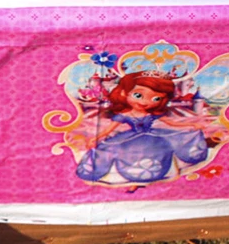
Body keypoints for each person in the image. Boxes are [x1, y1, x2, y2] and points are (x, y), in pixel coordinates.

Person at [76, 72, 211, 184]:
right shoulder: (125, 115)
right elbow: (108, 130)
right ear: (123, 93)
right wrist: (96, 138)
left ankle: (164, 172)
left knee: (163, 149)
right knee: (117, 151)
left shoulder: (152, 114)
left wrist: (191, 125)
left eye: (156, 99)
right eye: (138, 95)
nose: (145, 102)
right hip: (130, 139)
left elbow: (172, 124)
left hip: (154, 136)